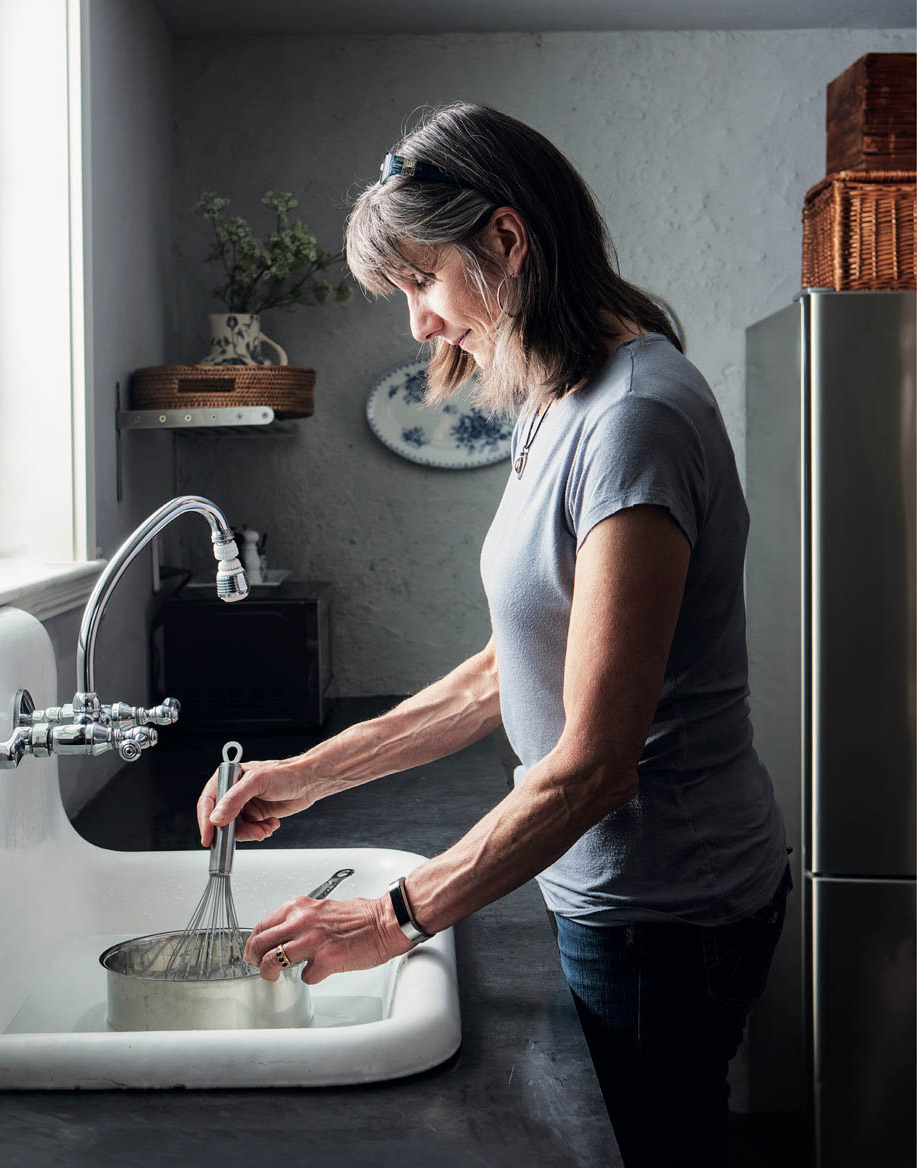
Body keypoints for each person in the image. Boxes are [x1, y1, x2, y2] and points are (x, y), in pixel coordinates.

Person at [196, 102, 790, 1168]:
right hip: (608, 888)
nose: (417, 323)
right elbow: (501, 671)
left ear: (507, 242)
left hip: (665, 907)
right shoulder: (554, 404)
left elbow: (594, 767)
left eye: (422, 281)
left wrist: (390, 918)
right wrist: (309, 774)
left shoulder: (633, 418)